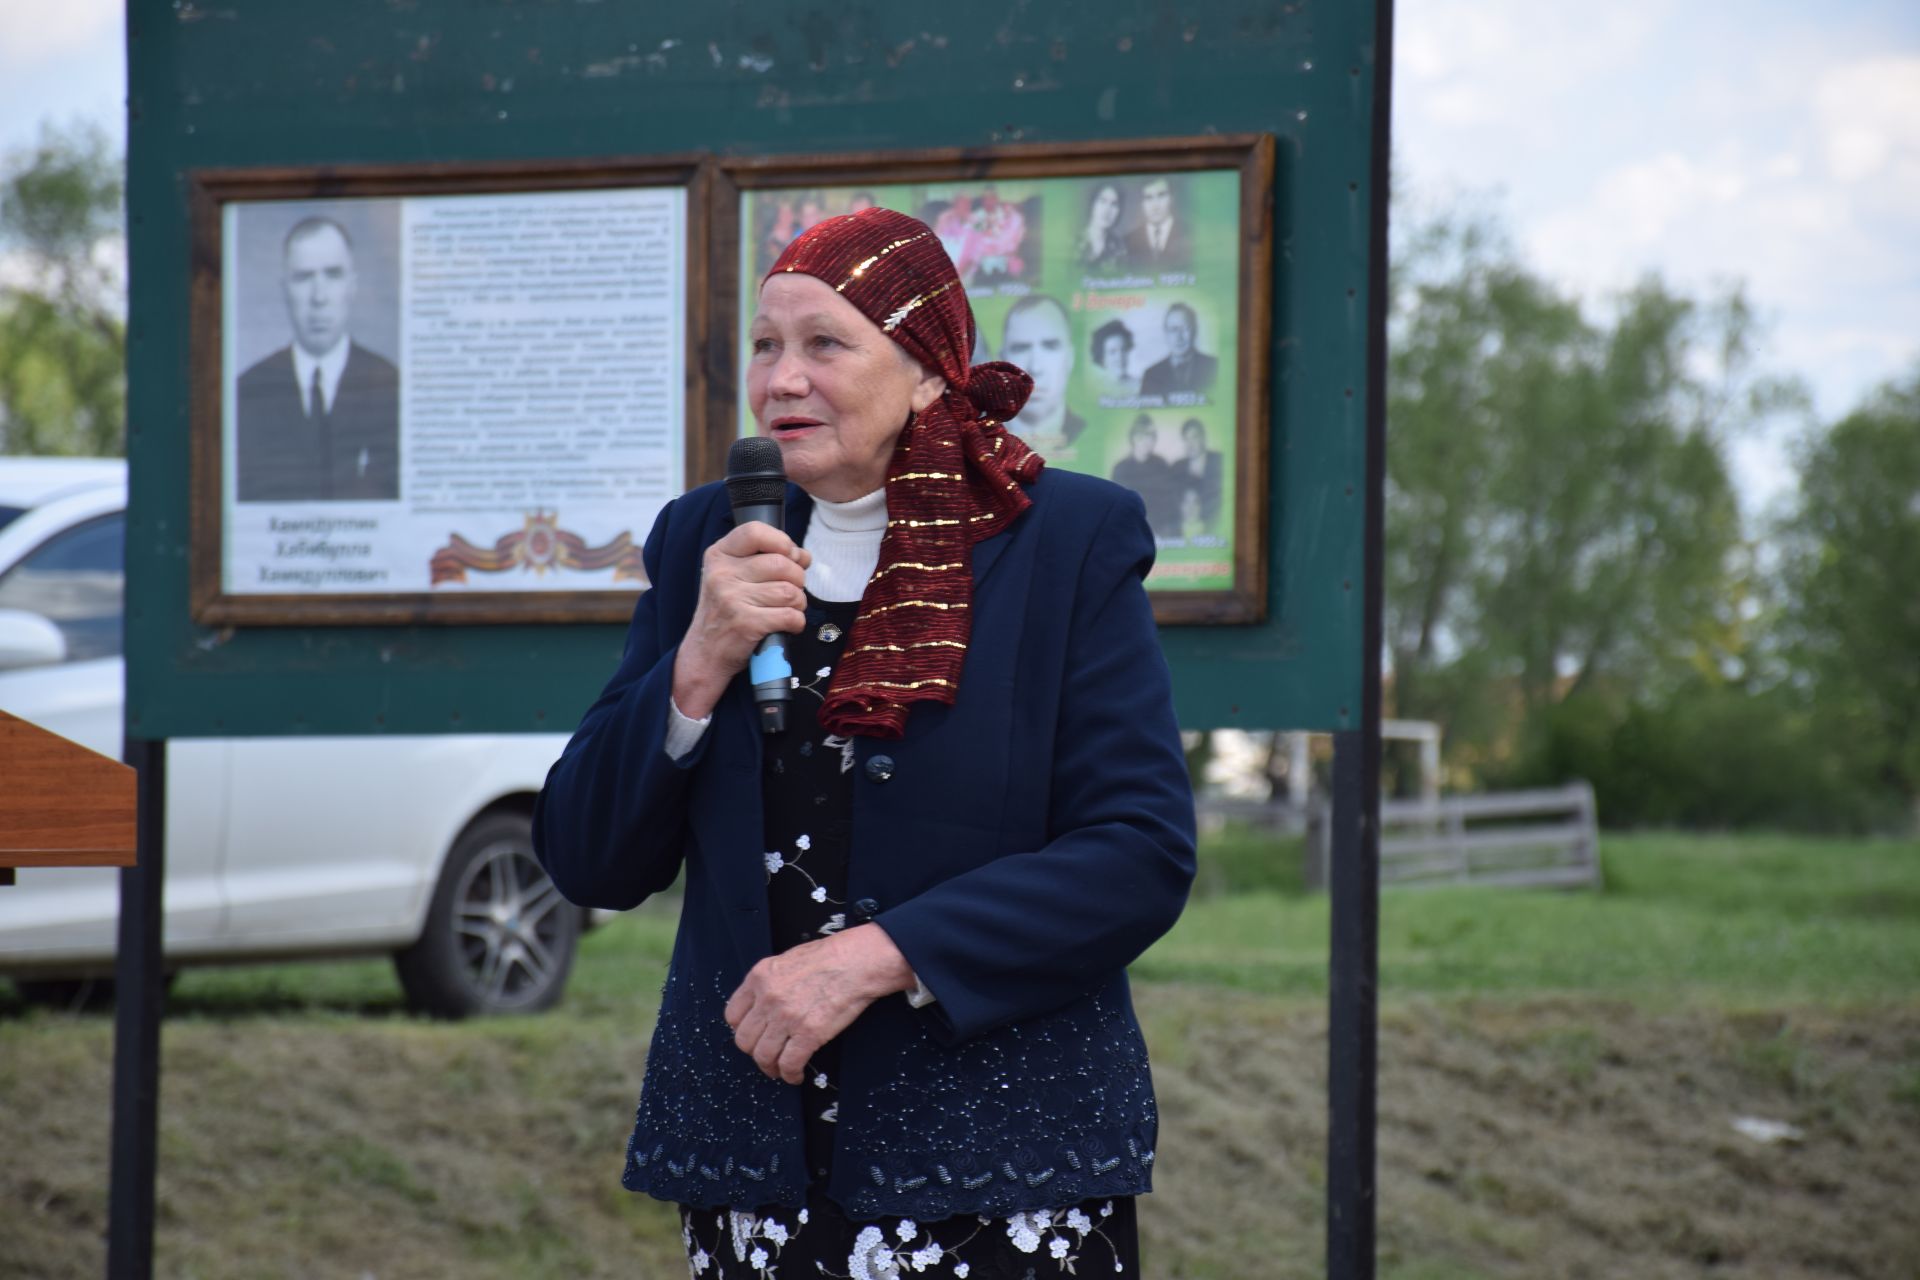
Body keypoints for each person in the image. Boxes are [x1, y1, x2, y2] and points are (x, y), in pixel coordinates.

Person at [534, 207, 1194, 1279]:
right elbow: (587, 856)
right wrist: (696, 661)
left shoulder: (1065, 540)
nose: (781, 379)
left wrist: (875, 960)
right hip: (762, 1167)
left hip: (999, 1163)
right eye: (765, 345)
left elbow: (1138, 853)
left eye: (824, 344)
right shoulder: (709, 540)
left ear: (928, 373)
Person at [235, 216, 399, 502]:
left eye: (333, 275)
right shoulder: (249, 388)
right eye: (303, 277)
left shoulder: (389, 383)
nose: (319, 297)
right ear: (284, 288)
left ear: (352, 286)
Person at [1001, 294, 1085, 449]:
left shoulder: (1087, 433)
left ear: (1070, 358)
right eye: (1020, 348)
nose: (1035, 368)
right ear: (1001, 360)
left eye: (1050, 346)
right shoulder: (976, 439)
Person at [1108, 413, 1176, 534]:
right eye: (1142, 435)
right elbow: (1117, 506)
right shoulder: (1120, 469)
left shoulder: (1161, 465)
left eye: (1151, 436)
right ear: (1133, 437)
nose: (1147, 441)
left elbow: (1169, 502)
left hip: (1160, 529)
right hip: (1129, 528)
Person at [1139, 302, 1218, 399]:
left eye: (1185, 328)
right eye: (1173, 329)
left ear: (1195, 330)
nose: (1179, 337)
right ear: (1166, 333)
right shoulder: (1151, 375)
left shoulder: (1214, 366)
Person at [1123, 177, 1191, 272]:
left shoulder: (1190, 233)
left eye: (1161, 196)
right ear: (1142, 204)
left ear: (1172, 198)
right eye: (1148, 198)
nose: (1155, 205)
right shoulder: (1128, 241)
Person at [1176, 417, 1225, 529]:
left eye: (1194, 437)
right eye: (1186, 439)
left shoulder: (1219, 461)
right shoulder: (1178, 467)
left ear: (1203, 438)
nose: (1190, 444)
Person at [1076, 182, 1128, 270]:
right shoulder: (1072, 242)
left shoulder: (1120, 248)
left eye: (1114, 204)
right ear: (1092, 204)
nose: (1107, 210)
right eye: (1102, 201)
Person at [1089, 318, 1139, 395]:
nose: (1120, 357)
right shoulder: (1093, 389)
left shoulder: (1140, 385)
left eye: (1123, 349)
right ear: (1102, 358)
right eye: (1112, 352)